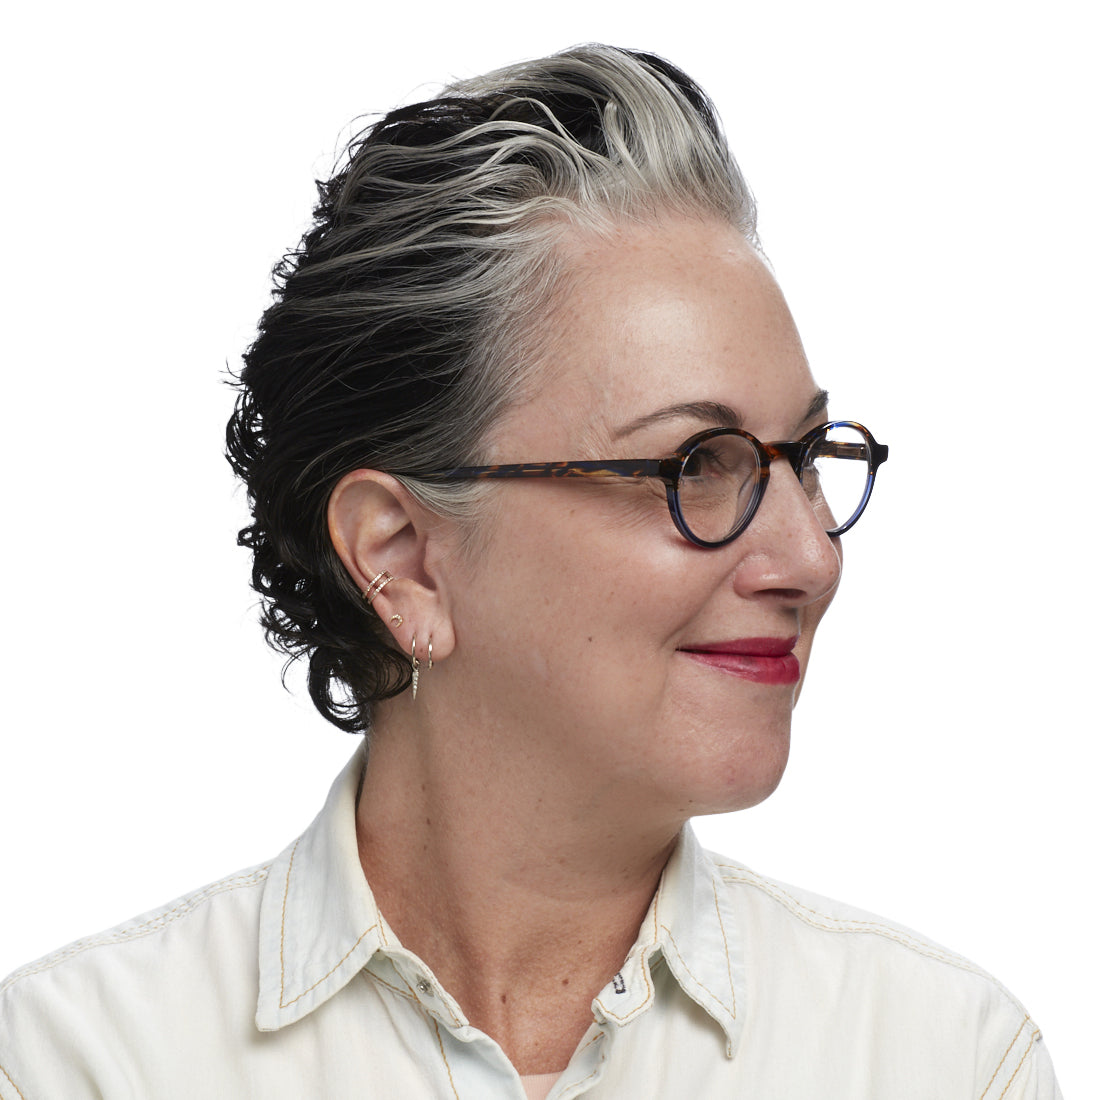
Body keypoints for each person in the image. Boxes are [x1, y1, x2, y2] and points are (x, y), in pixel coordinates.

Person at [0, 44, 1060, 1100]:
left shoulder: (942, 1060)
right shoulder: (80, 1064)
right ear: (402, 557)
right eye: (696, 464)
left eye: (807, 456)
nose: (810, 557)